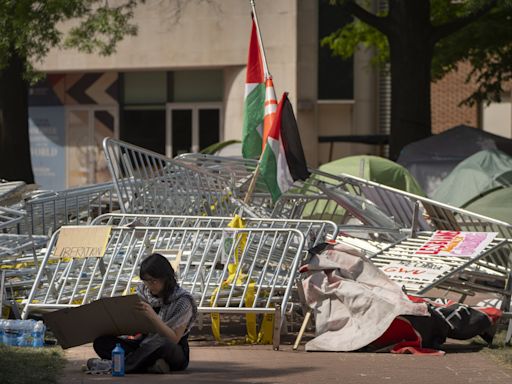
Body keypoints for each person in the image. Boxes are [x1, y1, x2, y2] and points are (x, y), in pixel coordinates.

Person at [87, 253, 197, 374]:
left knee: (163, 343)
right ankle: (150, 366)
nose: (149, 286)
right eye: (146, 282)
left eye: (153, 281)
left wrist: (153, 317)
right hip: (143, 344)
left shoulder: (183, 301)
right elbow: (135, 328)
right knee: (101, 342)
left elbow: (174, 338)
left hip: (172, 351)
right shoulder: (143, 293)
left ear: (166, 277)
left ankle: (118, 365)